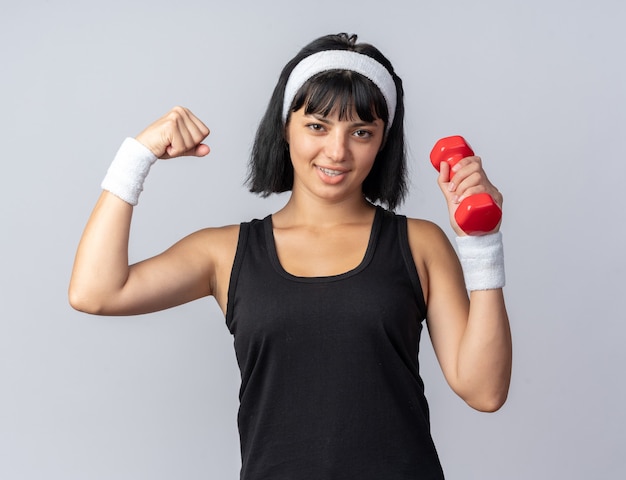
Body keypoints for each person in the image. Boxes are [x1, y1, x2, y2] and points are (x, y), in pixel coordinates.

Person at [69, 33, 512, 480]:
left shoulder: (420, 243)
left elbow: (484, 390)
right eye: (317, 126)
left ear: (382, 142)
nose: (337, 151)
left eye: (361, 132)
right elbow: (95, 292)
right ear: (285, 127)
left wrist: (482, 243)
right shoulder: (224, 253)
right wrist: (137, 156)